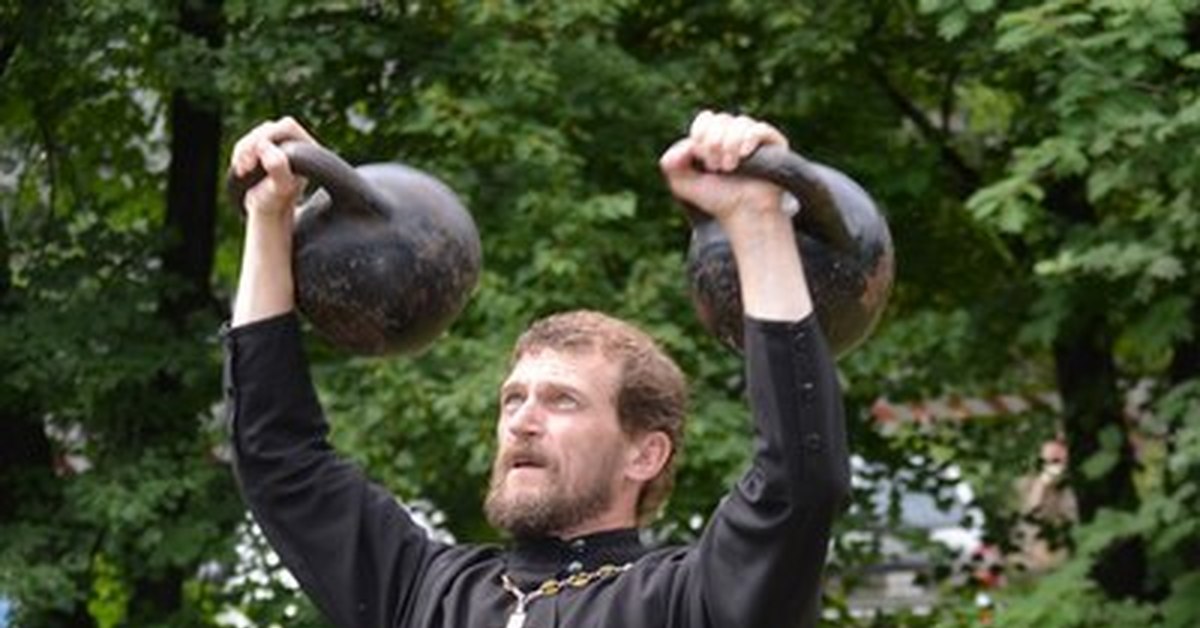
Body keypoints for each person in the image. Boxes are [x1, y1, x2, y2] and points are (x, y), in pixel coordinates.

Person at [222, 111, 850, 627]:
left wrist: (757, 222)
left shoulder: (690, 602)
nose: (523, 421)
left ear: (645, 454)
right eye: (513, 398)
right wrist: (270, 220)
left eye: (562, 400)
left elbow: (798, 484)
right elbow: (277, 457)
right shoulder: (424, 591)